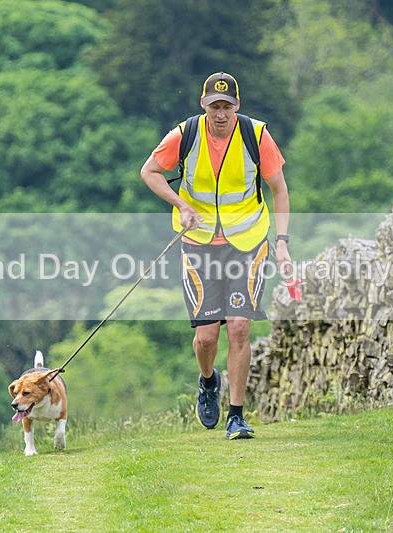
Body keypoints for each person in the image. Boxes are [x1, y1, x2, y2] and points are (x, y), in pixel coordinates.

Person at [140, 72, 290, 439]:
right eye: (214, 107)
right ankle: (209, 381)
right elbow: (150, 172)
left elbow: (279, 190)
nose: (220, 114)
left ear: (237, 106)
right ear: (203, 105)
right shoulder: (185, 134)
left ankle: (236, 415)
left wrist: (282, 241)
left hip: (248, 242)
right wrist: (180, 204)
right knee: (207, 338)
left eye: (227, 107)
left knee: (239, 327)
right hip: (198, 243)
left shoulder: (257, 136)